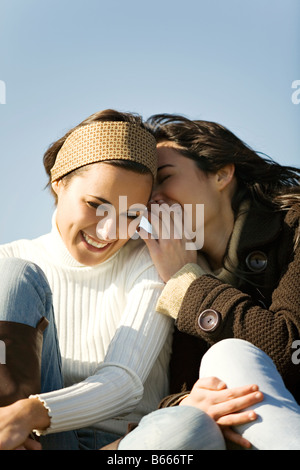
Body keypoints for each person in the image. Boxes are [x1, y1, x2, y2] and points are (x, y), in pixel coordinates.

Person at [117, 113, 300, 450]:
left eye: (165, 178)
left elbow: (290, 351)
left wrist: (188, 286)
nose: (152, 199)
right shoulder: (161, 268)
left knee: (229, 353)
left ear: (221, 173)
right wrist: (191, 405)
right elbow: (171, 391)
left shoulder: (295, 227)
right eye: (145, 191)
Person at [0, 109, 176, 450]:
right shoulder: (8, 261)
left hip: (124, 448)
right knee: (11, 274)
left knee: (189, 427)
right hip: (36, 440)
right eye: (97, 204)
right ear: (58, 181)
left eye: (131, 215)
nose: (109, 232)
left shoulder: (148, 260)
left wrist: (26, 414)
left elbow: (125, 382)